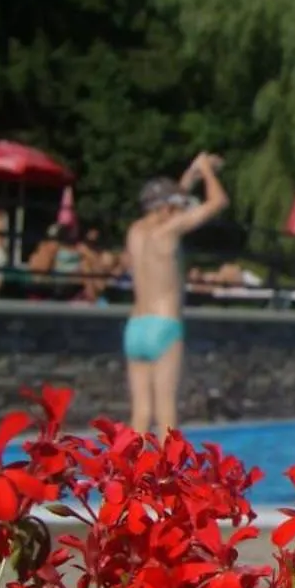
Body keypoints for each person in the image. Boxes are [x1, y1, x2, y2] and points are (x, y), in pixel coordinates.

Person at [124, 153, 229, 434]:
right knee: (166, 413)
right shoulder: (169, 231)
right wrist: (206, 172)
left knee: (141, 412)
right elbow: (218, 201)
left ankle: (129, 475)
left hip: (135, 327)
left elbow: (175, 201)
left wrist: (190, 173)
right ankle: (165, 477)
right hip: (164, 326)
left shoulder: (134, 231)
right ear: (165, 208)